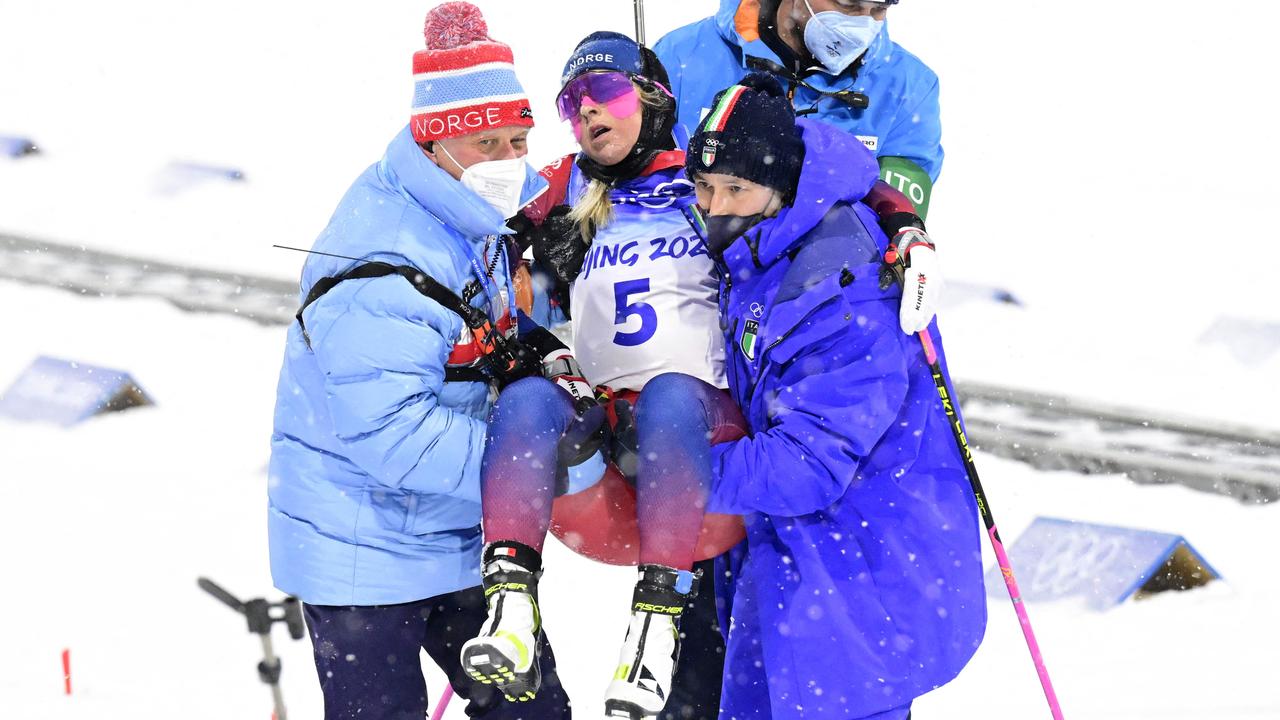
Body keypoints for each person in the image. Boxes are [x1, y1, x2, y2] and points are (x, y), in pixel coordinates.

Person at [266, 4, 573, 718]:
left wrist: (545, 322)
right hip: (360, 549)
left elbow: (487, 324)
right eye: (487, 141)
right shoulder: (384, 259)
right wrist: (540, 469)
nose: (509, 160)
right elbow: (392, 432)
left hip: (452, 527)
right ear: (436, 144)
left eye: (518, 140)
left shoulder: (473, 210)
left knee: (533, 710)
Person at [457, 31, 750, 720]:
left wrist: (905, 228)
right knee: (528, 401)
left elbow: (825, 179)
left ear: (653, 98)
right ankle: (511, 613)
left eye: (605, 92)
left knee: (671, 397)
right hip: (608, 467)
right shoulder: (566, 183)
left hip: (703, 458)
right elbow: (470, 237)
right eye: (572, 101)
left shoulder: (703, 173)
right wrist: (534, 319)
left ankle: (653, 631)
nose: (588, 110)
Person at [676, 73, 987, 719]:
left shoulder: (845, 290)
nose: (716, 205)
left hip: (860, 581)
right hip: (795, 568)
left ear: (784, 187)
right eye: (704, 188)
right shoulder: (770, 245)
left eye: (736, 188)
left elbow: (806, 466)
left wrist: (677, 475)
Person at [654, 0, 945, 334]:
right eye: (848, 4)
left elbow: (882, 227)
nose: (863, 22)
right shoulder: (681, 56)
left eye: (878, 8)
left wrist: (906, 228)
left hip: (815, 318)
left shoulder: (908, 87)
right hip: (687, 299)